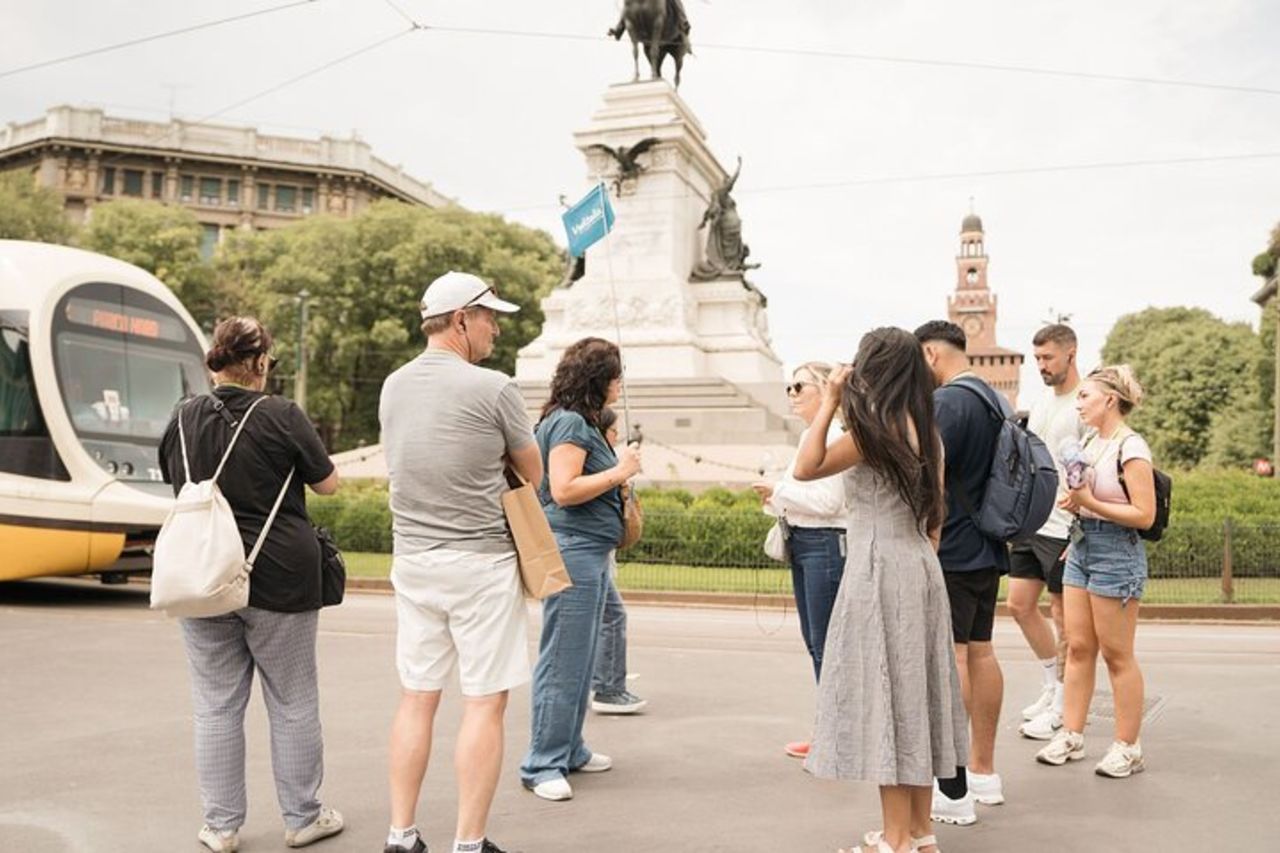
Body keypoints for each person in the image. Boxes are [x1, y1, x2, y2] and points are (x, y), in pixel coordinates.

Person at [158, 316, 344, 853]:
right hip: (280, 578)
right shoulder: (281, 414)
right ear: (260, 362)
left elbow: (176, 478)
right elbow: (328, 484)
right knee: (292, 700)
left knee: (215, 704)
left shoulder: (182, 417)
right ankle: (303, 817)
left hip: (202, 574)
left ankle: (220, 827)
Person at [379, 271, 542, 853]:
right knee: (484, 701)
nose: (496, 327)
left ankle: (400, 835)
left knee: (417, 696)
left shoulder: (392, 386)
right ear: (460, 319)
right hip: (480, 562)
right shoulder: (493, 387)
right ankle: (468, 844)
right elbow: (533, 472)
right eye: (490, 316)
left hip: (414, 559)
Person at [795, 328, 967, 853]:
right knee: (916, 700)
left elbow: (806, 466)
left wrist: (829, 401)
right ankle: (919, 832)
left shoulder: (875, 431)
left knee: (888, 703)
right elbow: (936, 518)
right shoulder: (926, 429)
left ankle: (894, 842)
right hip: (918, 563)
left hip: (878, 566)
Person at [520, 337, 642, 802]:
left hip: (587, 550)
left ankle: (568, 748)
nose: (619, 384)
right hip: (574, 549)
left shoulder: (573, 420)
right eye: (615, 375)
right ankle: (542, 762)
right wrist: (621, 470)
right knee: (564, 658)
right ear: (597, 379)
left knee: (581, 655)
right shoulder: (571, 423)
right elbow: (566, 488)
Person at [1036, 366, 1156, 779]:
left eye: (1085, 396)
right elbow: (1086, 495)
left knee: (1117, 654)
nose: (1079, 403)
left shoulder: (1132, 447)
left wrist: (1090, 501)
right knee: (1078, 647)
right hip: (1082, 545)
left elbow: (1144, 514)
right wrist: (1078, 506)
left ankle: (1128, 746)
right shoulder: (1090, 441)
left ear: (1110, 399)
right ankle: (1072, 734)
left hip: (1116, 552)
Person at [914, 320, 1007, 824]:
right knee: (982, 651)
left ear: (930, 354)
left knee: (952, 658)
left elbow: (927, 471)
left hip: (952, 545)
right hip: (989, 542)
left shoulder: (948, 403)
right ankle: (984, 772)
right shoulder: (995, 399)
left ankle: (952, 787)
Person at [751, 362, 847, 759]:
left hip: (825, 544)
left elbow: (829, 502)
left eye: (799, 386)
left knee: (827, 645)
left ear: (826, 390)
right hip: (808, 542)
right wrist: (778, 496)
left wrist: (779, 491)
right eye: (789, 387)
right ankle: (831, 729)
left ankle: (836, 735)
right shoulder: (813, 435)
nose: (791, 394)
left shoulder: (836, 434)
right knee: (816, 642)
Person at [1012, 325, 1085, 740]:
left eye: (1047, 359)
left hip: (1065, 528)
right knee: (1020, 606)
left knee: (1064, 621)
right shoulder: (1040, 404)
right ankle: (1051, 686)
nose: (1041, 366)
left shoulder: (1085, 402)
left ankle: (1062, 708)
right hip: (1033, 522)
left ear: (1070, 354)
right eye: (1037, 359)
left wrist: (1080, 525)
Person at [591, 406, 647, 715]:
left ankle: (602, 681)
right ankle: (608, 688)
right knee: (611, 616)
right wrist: (622, 473)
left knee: (600, 618)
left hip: (596, 549)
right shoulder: (598, 457)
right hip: (588, 549)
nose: (616, 438)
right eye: (614, 432)